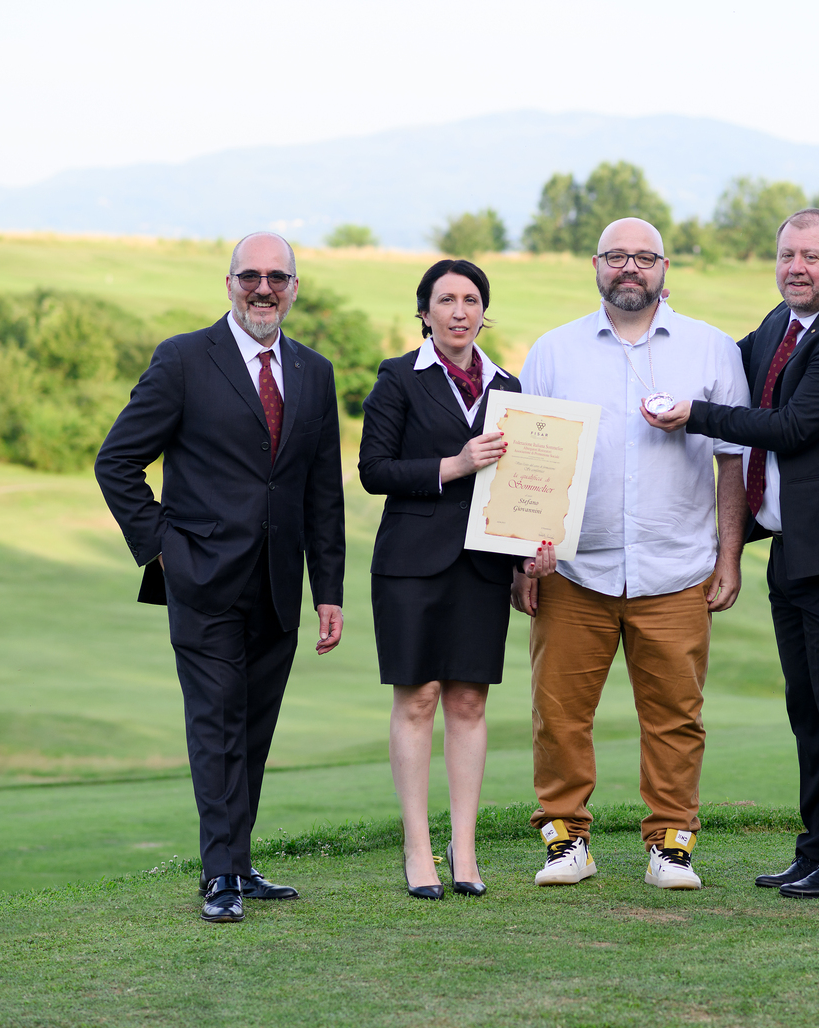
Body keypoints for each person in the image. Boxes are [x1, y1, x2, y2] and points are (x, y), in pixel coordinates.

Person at [95, 232, 346, 923]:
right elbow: (117, 461)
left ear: (294, 288)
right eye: (251, 276)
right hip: (201, 580)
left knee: (254, 729)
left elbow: (322, 492)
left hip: (279, 585)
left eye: (277, 277)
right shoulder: (183, 359)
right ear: (229, 283)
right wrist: (162, 549)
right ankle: (219, 875)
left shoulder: (314, 371)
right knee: (216, 727)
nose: (264, 288)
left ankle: (238, 861)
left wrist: (328, 591)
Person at [646, 209, 819, 899]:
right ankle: (817, 850)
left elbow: (791, 426)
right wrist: (666, 321)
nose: (796, 268)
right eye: (787, 255)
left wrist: (693, 413)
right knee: (808, 712)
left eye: (811, 256)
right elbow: (726, 358)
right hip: (794, 552)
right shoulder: (783, 323)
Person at [514, 217, 750, 890]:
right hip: (573, 569)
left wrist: (729, 557)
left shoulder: (710, 348)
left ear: (664, 269)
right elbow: (526, 460)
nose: (629, 268)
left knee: (676, 718)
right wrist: (520, 559)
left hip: (676, 567)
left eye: (644, 258)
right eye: (616, 256)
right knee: (559, 715)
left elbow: (732, 461)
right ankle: (566, 841)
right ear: (596, 265)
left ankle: (670, 845)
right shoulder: (554, 351)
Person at [357, 259, 555, 900]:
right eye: (446, 300)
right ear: (425, 312)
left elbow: (523, 486)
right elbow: (374, 469)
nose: (460, 311)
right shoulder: (397, 377)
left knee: (469, 702)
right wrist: (455, 464)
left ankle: (463, 850)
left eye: (471, 300)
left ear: (483, 312)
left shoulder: (510, 387)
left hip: (482, 565)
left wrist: (529, 553)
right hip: (411, 563)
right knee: (418, 699)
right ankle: (418, 851)